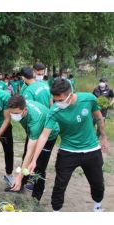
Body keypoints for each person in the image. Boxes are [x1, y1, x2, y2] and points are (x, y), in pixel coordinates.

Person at [28, 78, 109, 212]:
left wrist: (104, 136)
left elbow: (99, 117)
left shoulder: (88, 99)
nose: (57, 103)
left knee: (98, 184)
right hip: (68, 151)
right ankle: (56, 211)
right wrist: (34, 160)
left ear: (70, 94)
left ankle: (97, 206)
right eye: (55, 100)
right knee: (60, 185)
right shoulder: (54, 110)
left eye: (60, 100)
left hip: (91, 150)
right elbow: (44, 135)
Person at [7, 95, 59, 202]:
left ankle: (36, 198)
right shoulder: (21, 106)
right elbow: (28, 152)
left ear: (24, 110)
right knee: (25, 159)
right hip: (33, 133)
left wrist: (19, 176)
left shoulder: (35, 120)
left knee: (39, 167)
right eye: (11, 113)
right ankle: (20, 186)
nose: (13, 116)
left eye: (16, 113)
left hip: (49, 135)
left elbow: (31, 152)